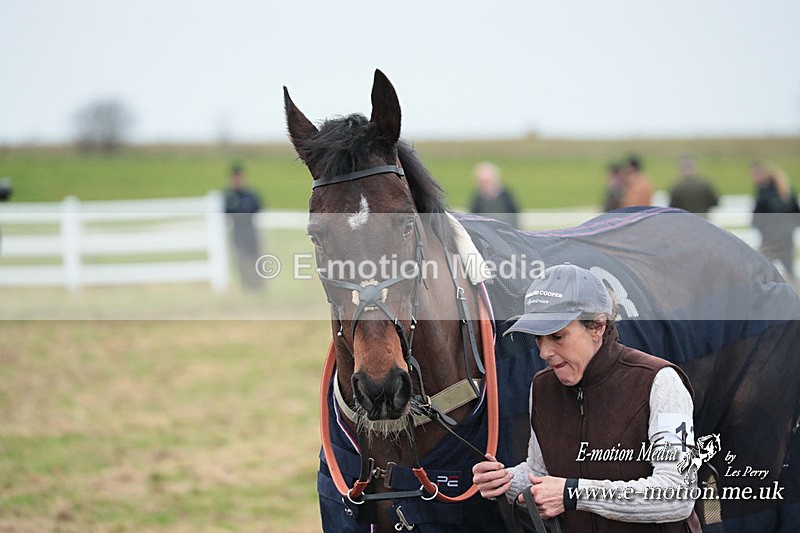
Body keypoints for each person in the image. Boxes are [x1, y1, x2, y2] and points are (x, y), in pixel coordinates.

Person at [472, 263, 699, 532]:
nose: (544, 352)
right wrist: (505, 481)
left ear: (598, 327)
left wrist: (574, 494)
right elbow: (541, 473)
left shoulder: (661, 381)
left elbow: (678, 494)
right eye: (538, 338)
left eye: (557, 336)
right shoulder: (542, 387)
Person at [751, 160, 799, 282]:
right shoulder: (787, 192)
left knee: (761, 270)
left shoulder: (764, 193)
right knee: (789, 270)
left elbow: (757, 217)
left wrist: (763, 230)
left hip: (771, 238)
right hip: (787, 236)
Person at [224, 163, 264, 292]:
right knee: (241, 260)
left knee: (257, 258)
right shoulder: (228, 197)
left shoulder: (250, 195)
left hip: (251, 230)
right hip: (237, 232)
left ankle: (259, 286)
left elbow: (257, 208)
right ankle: (246, 285)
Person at [469, 161, 520, 228]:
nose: (484, 185)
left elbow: (514, 216)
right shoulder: (477, 200)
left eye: (487, 182)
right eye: (481, 182)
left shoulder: (506, 197)